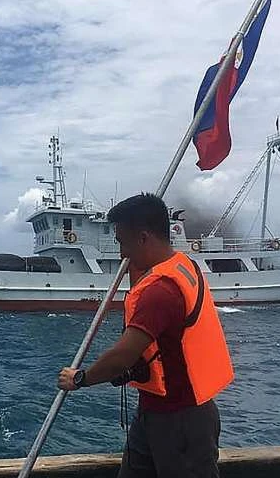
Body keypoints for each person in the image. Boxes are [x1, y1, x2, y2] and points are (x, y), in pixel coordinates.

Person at [57, 193, 234, 478]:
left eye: (122, 243)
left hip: (181, 421)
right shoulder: (182, 266)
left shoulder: (161, 292)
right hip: (154, 411)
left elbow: (123, 356)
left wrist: (80, 378)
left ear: (143, 238)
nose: (121, 254)